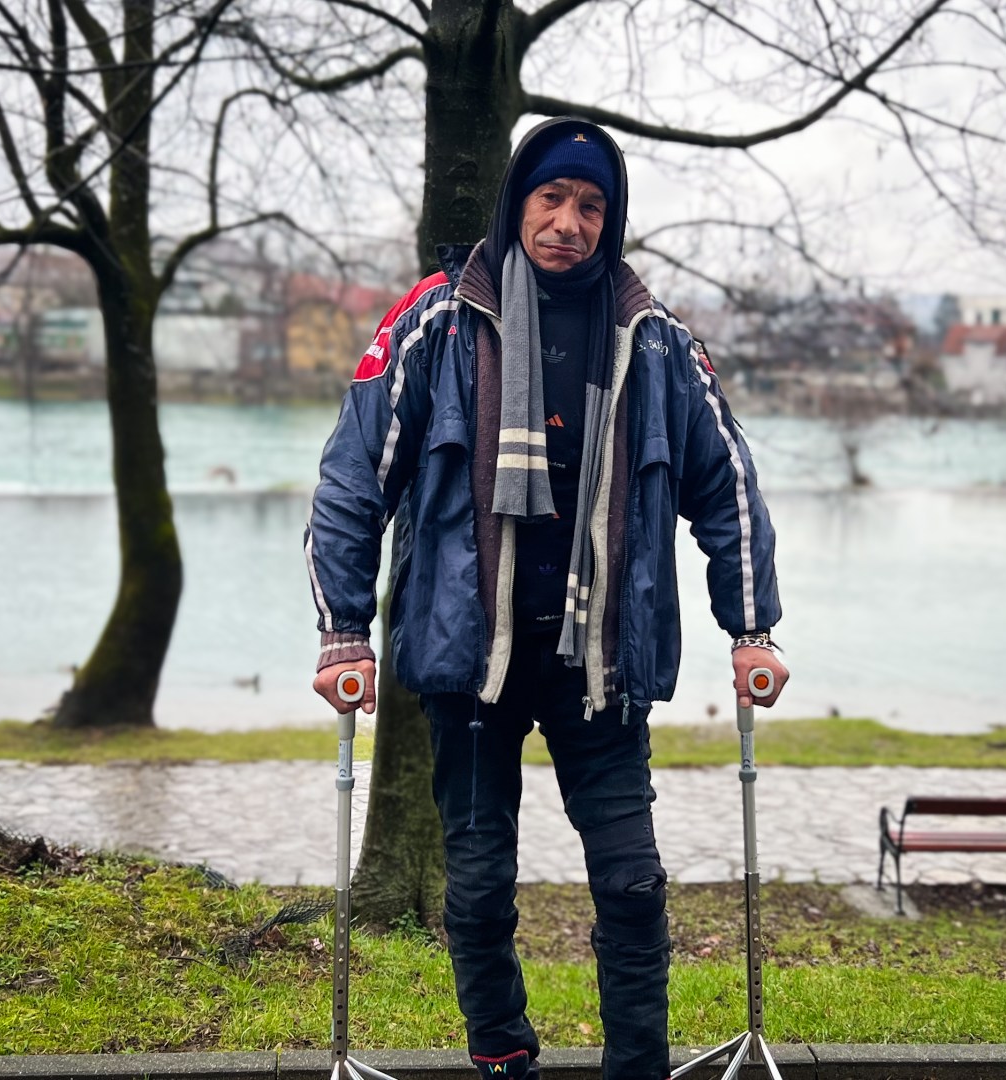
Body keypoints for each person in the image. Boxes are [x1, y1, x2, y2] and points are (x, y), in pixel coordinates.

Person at [305, 117, 787, 1080]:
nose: (570, 222)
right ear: (519, 203)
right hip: (469, 658)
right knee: (479, 886)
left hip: (599, 661)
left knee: (633, 885)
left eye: (592, 205)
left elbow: (727, 484)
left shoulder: (656, 340)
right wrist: (344, 631)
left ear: (612, 219)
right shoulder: (438, 320)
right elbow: (355, 475)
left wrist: (752, 627)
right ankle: (504, 1057)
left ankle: (636, 1069)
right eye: (553, 198)